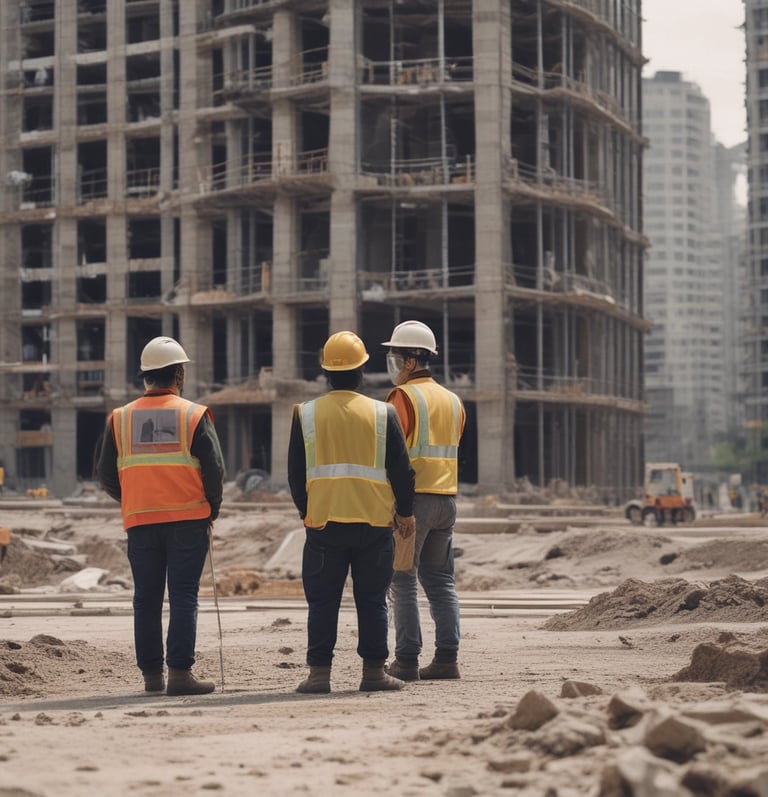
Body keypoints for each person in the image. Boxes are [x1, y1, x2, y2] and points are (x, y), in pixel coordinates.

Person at [288, 330, 416, 694]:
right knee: (372, 601)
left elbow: (295, 474)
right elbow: (402, 472)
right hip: (374, 523)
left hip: (324, 523)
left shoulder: (306, 414)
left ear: (326, 373)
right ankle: (374, 673)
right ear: (362, 371)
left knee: (323, 601)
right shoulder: (382, 413)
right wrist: (405, 513)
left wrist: (306, 511)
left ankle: (319, 675)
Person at [97, 336, 224, 696]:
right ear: (179, 375)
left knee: (146, 598)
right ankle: (180, 676)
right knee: (184, 596)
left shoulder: (119, 418)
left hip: (141, 521)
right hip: (188, 520)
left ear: (145, 376)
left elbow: (106, 473)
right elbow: (214, 470)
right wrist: (211, 509)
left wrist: (134, 496)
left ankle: (152, 677)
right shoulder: (193, 414)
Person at [381, 320, 465, 681]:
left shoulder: (403, 398)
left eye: (395, 358)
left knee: (402, 580)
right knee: (440, 581)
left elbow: (391, 453)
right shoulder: (454, 400)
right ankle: (446, 658)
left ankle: (407, 660)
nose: (393, 366)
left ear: (411, 361)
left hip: (414, 502)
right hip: (447, 501)